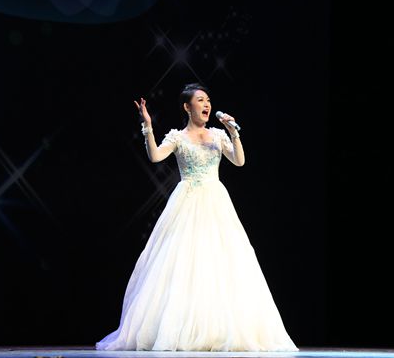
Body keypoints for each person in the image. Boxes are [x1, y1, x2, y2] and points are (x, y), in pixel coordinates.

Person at [96, 83, 298, 352]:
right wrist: (148, 126)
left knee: (222, 262)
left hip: (216, 202)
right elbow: (155, 156)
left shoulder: (217, 135)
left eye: (208, 100)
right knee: (184, 263)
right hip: (187, 203)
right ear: (187, 106)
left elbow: (239, 161)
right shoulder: (178, 137)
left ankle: (219, 329)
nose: (206, 105)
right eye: (200, 100)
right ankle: (181, 329)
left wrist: (233, 133)